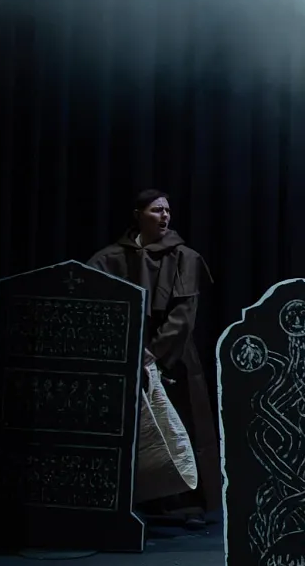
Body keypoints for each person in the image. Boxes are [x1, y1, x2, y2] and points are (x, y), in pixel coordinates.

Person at [88, 189, 217, 529]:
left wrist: (154, 353)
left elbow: (183, 315)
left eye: (167, 211)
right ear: (138, 214)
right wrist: (125, 348)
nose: (164, 216)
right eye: (157, 210)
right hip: (124, 355)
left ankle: (186, 504)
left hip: (172, 355)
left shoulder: (185, 257)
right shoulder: (110, 258)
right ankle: (132, 501)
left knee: (180, 427)